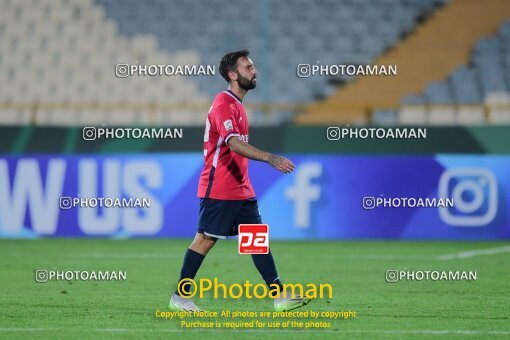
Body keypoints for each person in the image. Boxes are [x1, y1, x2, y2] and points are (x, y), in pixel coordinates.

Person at [169, 50, 311, 312]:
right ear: (232, 75)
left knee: (256, 240)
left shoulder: (238, 106)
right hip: (219, 188)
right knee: (204, 240)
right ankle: (179, 297)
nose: (254, 71)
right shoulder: (224, 103)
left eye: (253, 67)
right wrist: (270, 158)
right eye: (248, 68)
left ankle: (280, 296)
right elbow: (233, 144)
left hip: (241, 189)